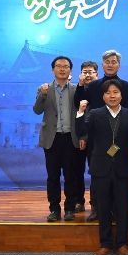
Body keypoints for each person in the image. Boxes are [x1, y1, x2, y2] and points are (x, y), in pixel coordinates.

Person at [75, 79, 128, 255]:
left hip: (123, 167)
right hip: (100, 167)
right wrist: (80, 113)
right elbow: (81, 131)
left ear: (121, 95)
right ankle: (105, 244)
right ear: (103, 96)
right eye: (108, 93)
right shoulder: (95, 114)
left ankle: (122, 244)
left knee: (123, 207)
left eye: (115, 92)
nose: (112, 96)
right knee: (102, 207)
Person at [33, 56, 80, 222]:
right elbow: (37, 110)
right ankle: (54, 209)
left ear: (70, 70)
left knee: (70, 176)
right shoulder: (44, 89)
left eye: (66, 66)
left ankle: (69, 209)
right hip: (51, 139)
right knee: (53, 177)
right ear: (53, 69)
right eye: (59, 66)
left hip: (70, 138)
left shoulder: (76, 89)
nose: (62, 69)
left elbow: (82, 115)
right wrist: (42, 95)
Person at [74, 61, 99, 220]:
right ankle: (78, 201)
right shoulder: (78, 89)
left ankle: (95, 204)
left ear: (97, 74)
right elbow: (77, 106)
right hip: (77, 136)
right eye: (85, 72)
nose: (88, 75)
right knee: (77, 171)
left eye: (91, 72)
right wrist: (81, 85)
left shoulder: (100, 89)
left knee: (95, 172)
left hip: (95, 139)